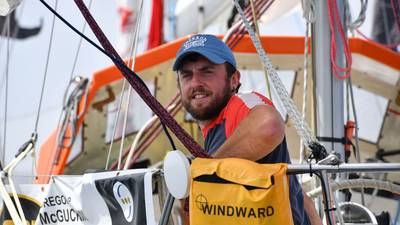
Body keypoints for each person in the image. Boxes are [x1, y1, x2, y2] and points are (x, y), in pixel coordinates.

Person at [173, 34, 322, 225]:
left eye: (207, 72)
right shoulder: (212, 136)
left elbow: (269, 126)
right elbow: (295, 190)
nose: (195, 83)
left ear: (234, 79)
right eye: (187, 75)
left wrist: (205, 173)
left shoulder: (241, 104)